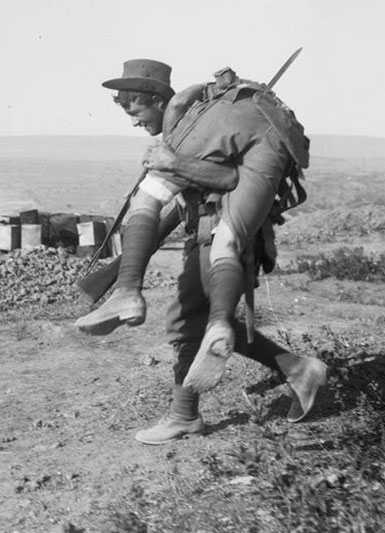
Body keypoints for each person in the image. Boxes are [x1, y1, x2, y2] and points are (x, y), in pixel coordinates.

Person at [76, 58, 327, 444]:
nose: (134, 121)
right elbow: (200, 190)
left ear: (159, 100)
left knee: (193, 319)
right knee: (196, 320)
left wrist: (174, 164)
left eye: (137, 110)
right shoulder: (189, 126)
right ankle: (294, 371)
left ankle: (189, 412)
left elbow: (229, 180)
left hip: (224, 234)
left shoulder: (199, 125)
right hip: (208, 231)